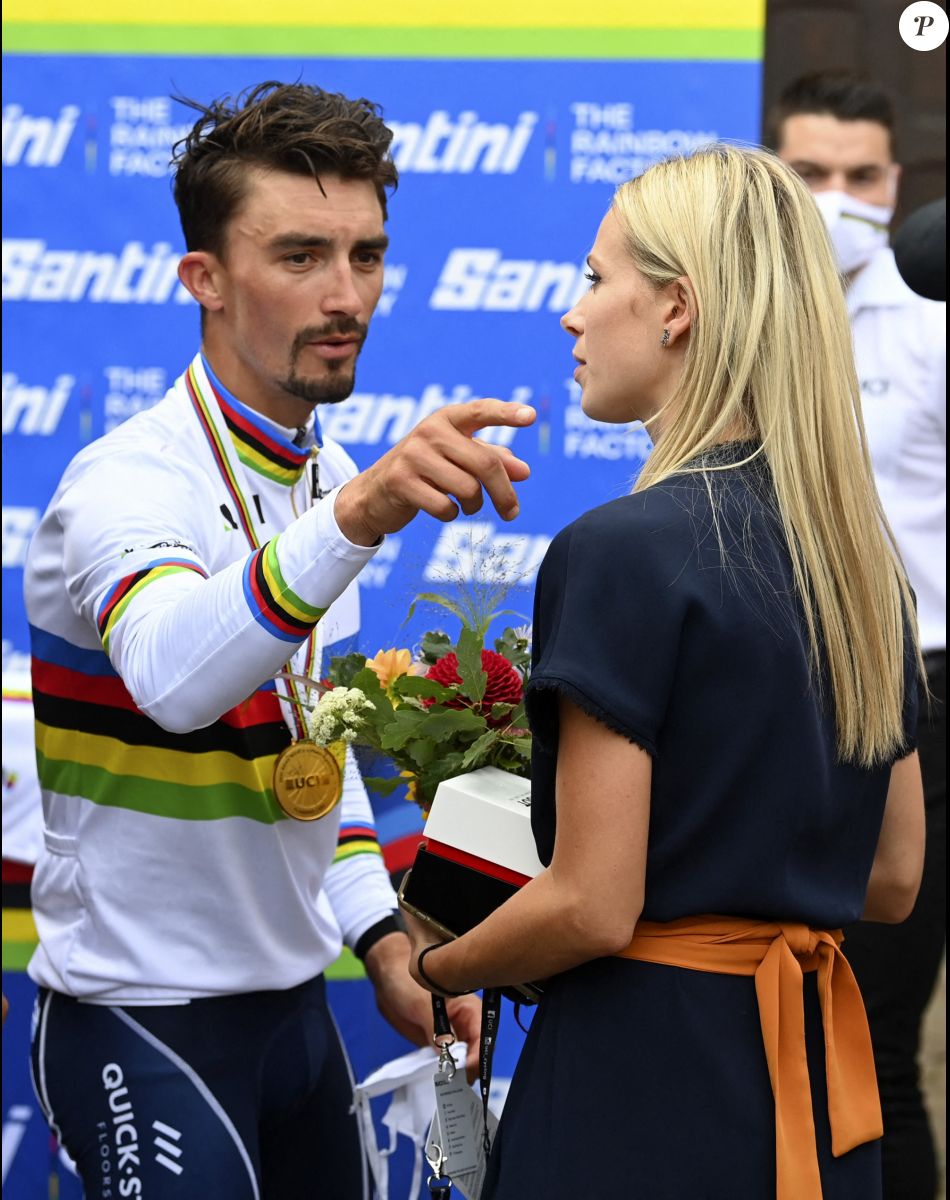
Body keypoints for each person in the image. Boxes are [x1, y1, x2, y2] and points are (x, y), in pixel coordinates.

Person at [24, 80, 538, 1200]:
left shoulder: (324, 482)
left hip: (298, 1010)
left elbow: (319, 760)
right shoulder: (126, 480)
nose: (345, 294)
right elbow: (173, 678)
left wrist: (385, 943)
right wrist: (354, 522)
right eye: (300, 255)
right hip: (140, 1022)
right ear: (203, 279)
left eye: (365, 255)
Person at [401, 144, 926, 1200]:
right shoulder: (859, 559)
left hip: (640, 1087)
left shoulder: (622, 549)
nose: (571, 313)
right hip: (814, 1089)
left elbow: (592, 905)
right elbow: (890, 877)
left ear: (676, 308)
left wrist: (440, 965)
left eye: (596, 278)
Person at [772, 72, 946, 1200]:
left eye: (858, 176)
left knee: (871, 1037)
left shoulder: (935, 321)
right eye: (808, 175)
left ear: (894, 182)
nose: (836, 198)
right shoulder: (719, 311)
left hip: (913, 704)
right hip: (758, 703)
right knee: (767, 1030)